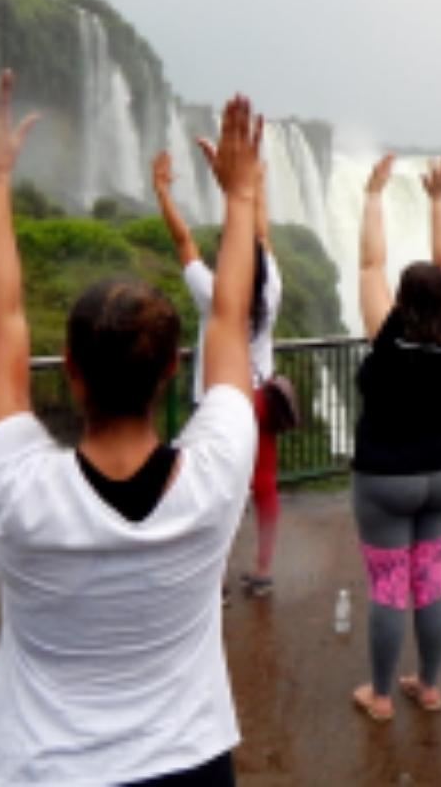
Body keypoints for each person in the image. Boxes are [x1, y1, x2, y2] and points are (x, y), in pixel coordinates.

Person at [0, 65, 263, 785]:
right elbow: (229, 319)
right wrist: (241, 198)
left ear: (72, 374)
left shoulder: (18, 490)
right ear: (167, 377)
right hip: (190, 762)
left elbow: (0, 318)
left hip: (39, 767)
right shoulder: (216, 476)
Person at [350, 155, 441, 722]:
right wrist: (439, 201)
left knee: (390, 586)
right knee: (432, 578)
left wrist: (374, 196)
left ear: (401, 299)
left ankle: (378, 696)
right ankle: (429, 685)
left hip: (385, 476)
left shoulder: (389, 337)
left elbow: (370, 262)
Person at [153, 151, 283, 596]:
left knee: (213, 491)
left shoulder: (213, 293)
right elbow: (260, 235)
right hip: (262, 397)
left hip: (219, 403)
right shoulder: (274, 285)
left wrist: (162, 192)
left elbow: (183, 240)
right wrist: (246, 187)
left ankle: (213, 577)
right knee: (263, 484)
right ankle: (263, 570)